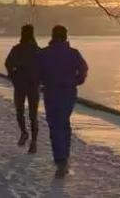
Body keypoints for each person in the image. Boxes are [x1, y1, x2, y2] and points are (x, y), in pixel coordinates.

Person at [38, 25, 88, 178]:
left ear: (53, 36)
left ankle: (61, 161)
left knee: (55, 125)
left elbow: (37, 71)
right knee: (63, 123)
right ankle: (64, 157)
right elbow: (83, 68)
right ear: (66, 37)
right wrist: (76, 81)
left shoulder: (44, 53)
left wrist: (43, 81)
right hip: (68, 92)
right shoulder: (73, 53)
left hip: (52, 93)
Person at [5, 24, 41, 153]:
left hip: (20, 84)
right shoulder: (37, 50)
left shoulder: (17, 49)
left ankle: (25, 133)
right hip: (32, 85)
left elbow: (8, 64)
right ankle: (34, 141)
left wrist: (13, 76)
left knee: (20, 112)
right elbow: (44, 68)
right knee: (33, 115)